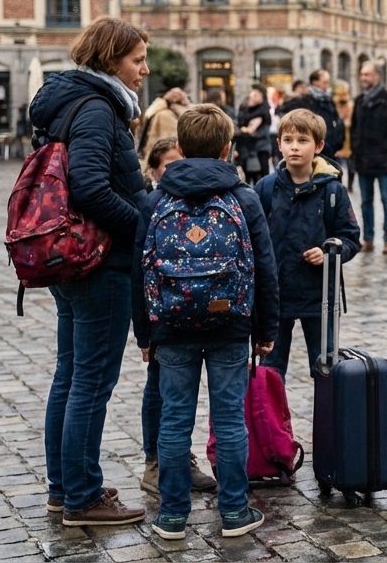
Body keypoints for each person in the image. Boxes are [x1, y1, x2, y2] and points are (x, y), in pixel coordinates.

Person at [132, 104, 278, 541]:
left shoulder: (155, 199)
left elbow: (137, 273)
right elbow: (266, 268)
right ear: (227, 149)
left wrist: (145, 333)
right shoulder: (244, 198)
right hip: (230, 323)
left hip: (171, 326)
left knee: (174, 420)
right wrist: (265, 330)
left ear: (178, 147)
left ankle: (172, 516)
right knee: (230, 417)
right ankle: (234, 512)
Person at [27, 16, 151, 526]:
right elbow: (91, 188)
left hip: (71, 264)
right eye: (137, 59)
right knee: (89, 383)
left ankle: (63, 488)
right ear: (110, 59)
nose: (145, 69)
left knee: (70, 375)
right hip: (101, 263)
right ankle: (83, 496)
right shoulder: (99, 109)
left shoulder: (69, 101)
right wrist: (143, 227)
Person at [137, 137, 219, 495]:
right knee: (160, 389)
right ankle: (155, 463)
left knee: (183, 397)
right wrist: (144, 331)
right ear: (155, 171)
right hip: (165, 314)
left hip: (204, 312)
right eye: (169, 167)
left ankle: (180, 459)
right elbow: (138, 272)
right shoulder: (153, 204)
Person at [256, 109, 361, 379]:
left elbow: (350, 237)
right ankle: (270, 422)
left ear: (319, 146)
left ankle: (328, 420)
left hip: (319, 297)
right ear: (278, 144)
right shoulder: (265, 189)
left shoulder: (333, 191)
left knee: (326, 368)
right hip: (275, 296)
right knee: (270, 370)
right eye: (288, 140)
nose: (294, 147)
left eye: (303, 140)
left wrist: (330, 252)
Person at [351, 62, 387, 253]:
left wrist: (385, 146)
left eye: (367, 74)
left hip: (383, 159)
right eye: (361, 74)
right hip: (364, 159)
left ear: (377, 76)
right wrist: (355, 152)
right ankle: (367, 238)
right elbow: (354, 129)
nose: (363, 78)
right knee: (366, 200)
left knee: (386, 199)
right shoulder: (359, 100)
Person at [277, 69, 344, 165]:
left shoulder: (328, 99)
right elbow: (283, 112)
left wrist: (339, 140)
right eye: (325, 82)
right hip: (313, 147)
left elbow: (336, 120)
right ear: (315, 82)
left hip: (331, 146)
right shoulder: (305, 99)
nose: (327, 85)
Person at [136, 87, 189, 171]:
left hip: (157, 158)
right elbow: (169, 141)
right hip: (165, 160)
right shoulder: (167, 115)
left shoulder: (160, 112)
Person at [235, 87, 272, 185]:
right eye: (253, 94)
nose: (253, 97)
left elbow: (254, 129)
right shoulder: (245, 107)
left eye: (257, 95)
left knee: (262, 175)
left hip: (260, 146)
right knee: (248, 175)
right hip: (247, 147)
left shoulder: (262, 111)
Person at [332, 79, 355, 185]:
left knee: (351, 166)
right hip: (339, 139)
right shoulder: (334, 104)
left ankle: (350, 182)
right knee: (338, 166)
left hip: (350, 139)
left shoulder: (351, 105)